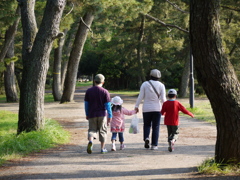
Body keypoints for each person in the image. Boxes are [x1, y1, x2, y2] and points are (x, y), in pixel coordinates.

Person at [135, 69, 166, 150]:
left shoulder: (145, 84)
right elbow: (163, 99)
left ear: (150, 75)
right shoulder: (161, 85)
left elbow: (140, 96)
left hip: (146, 109)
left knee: (147, 125)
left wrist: (136, 106)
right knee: (156, 127)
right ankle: (154, 145)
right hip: (157, 109)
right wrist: (165, 108)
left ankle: (146, 138)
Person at [84, 74, 112, 154]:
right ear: (103, 82)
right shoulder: (105, 92)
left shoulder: (89, 91)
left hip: (92, 114)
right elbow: (108, 105)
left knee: (92, 130)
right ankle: (102, 148)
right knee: (102, 131)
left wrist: (87, 113)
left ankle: (91, 141)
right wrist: (110, 115)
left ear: (94, 81)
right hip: (102, 114)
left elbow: (86, 104)